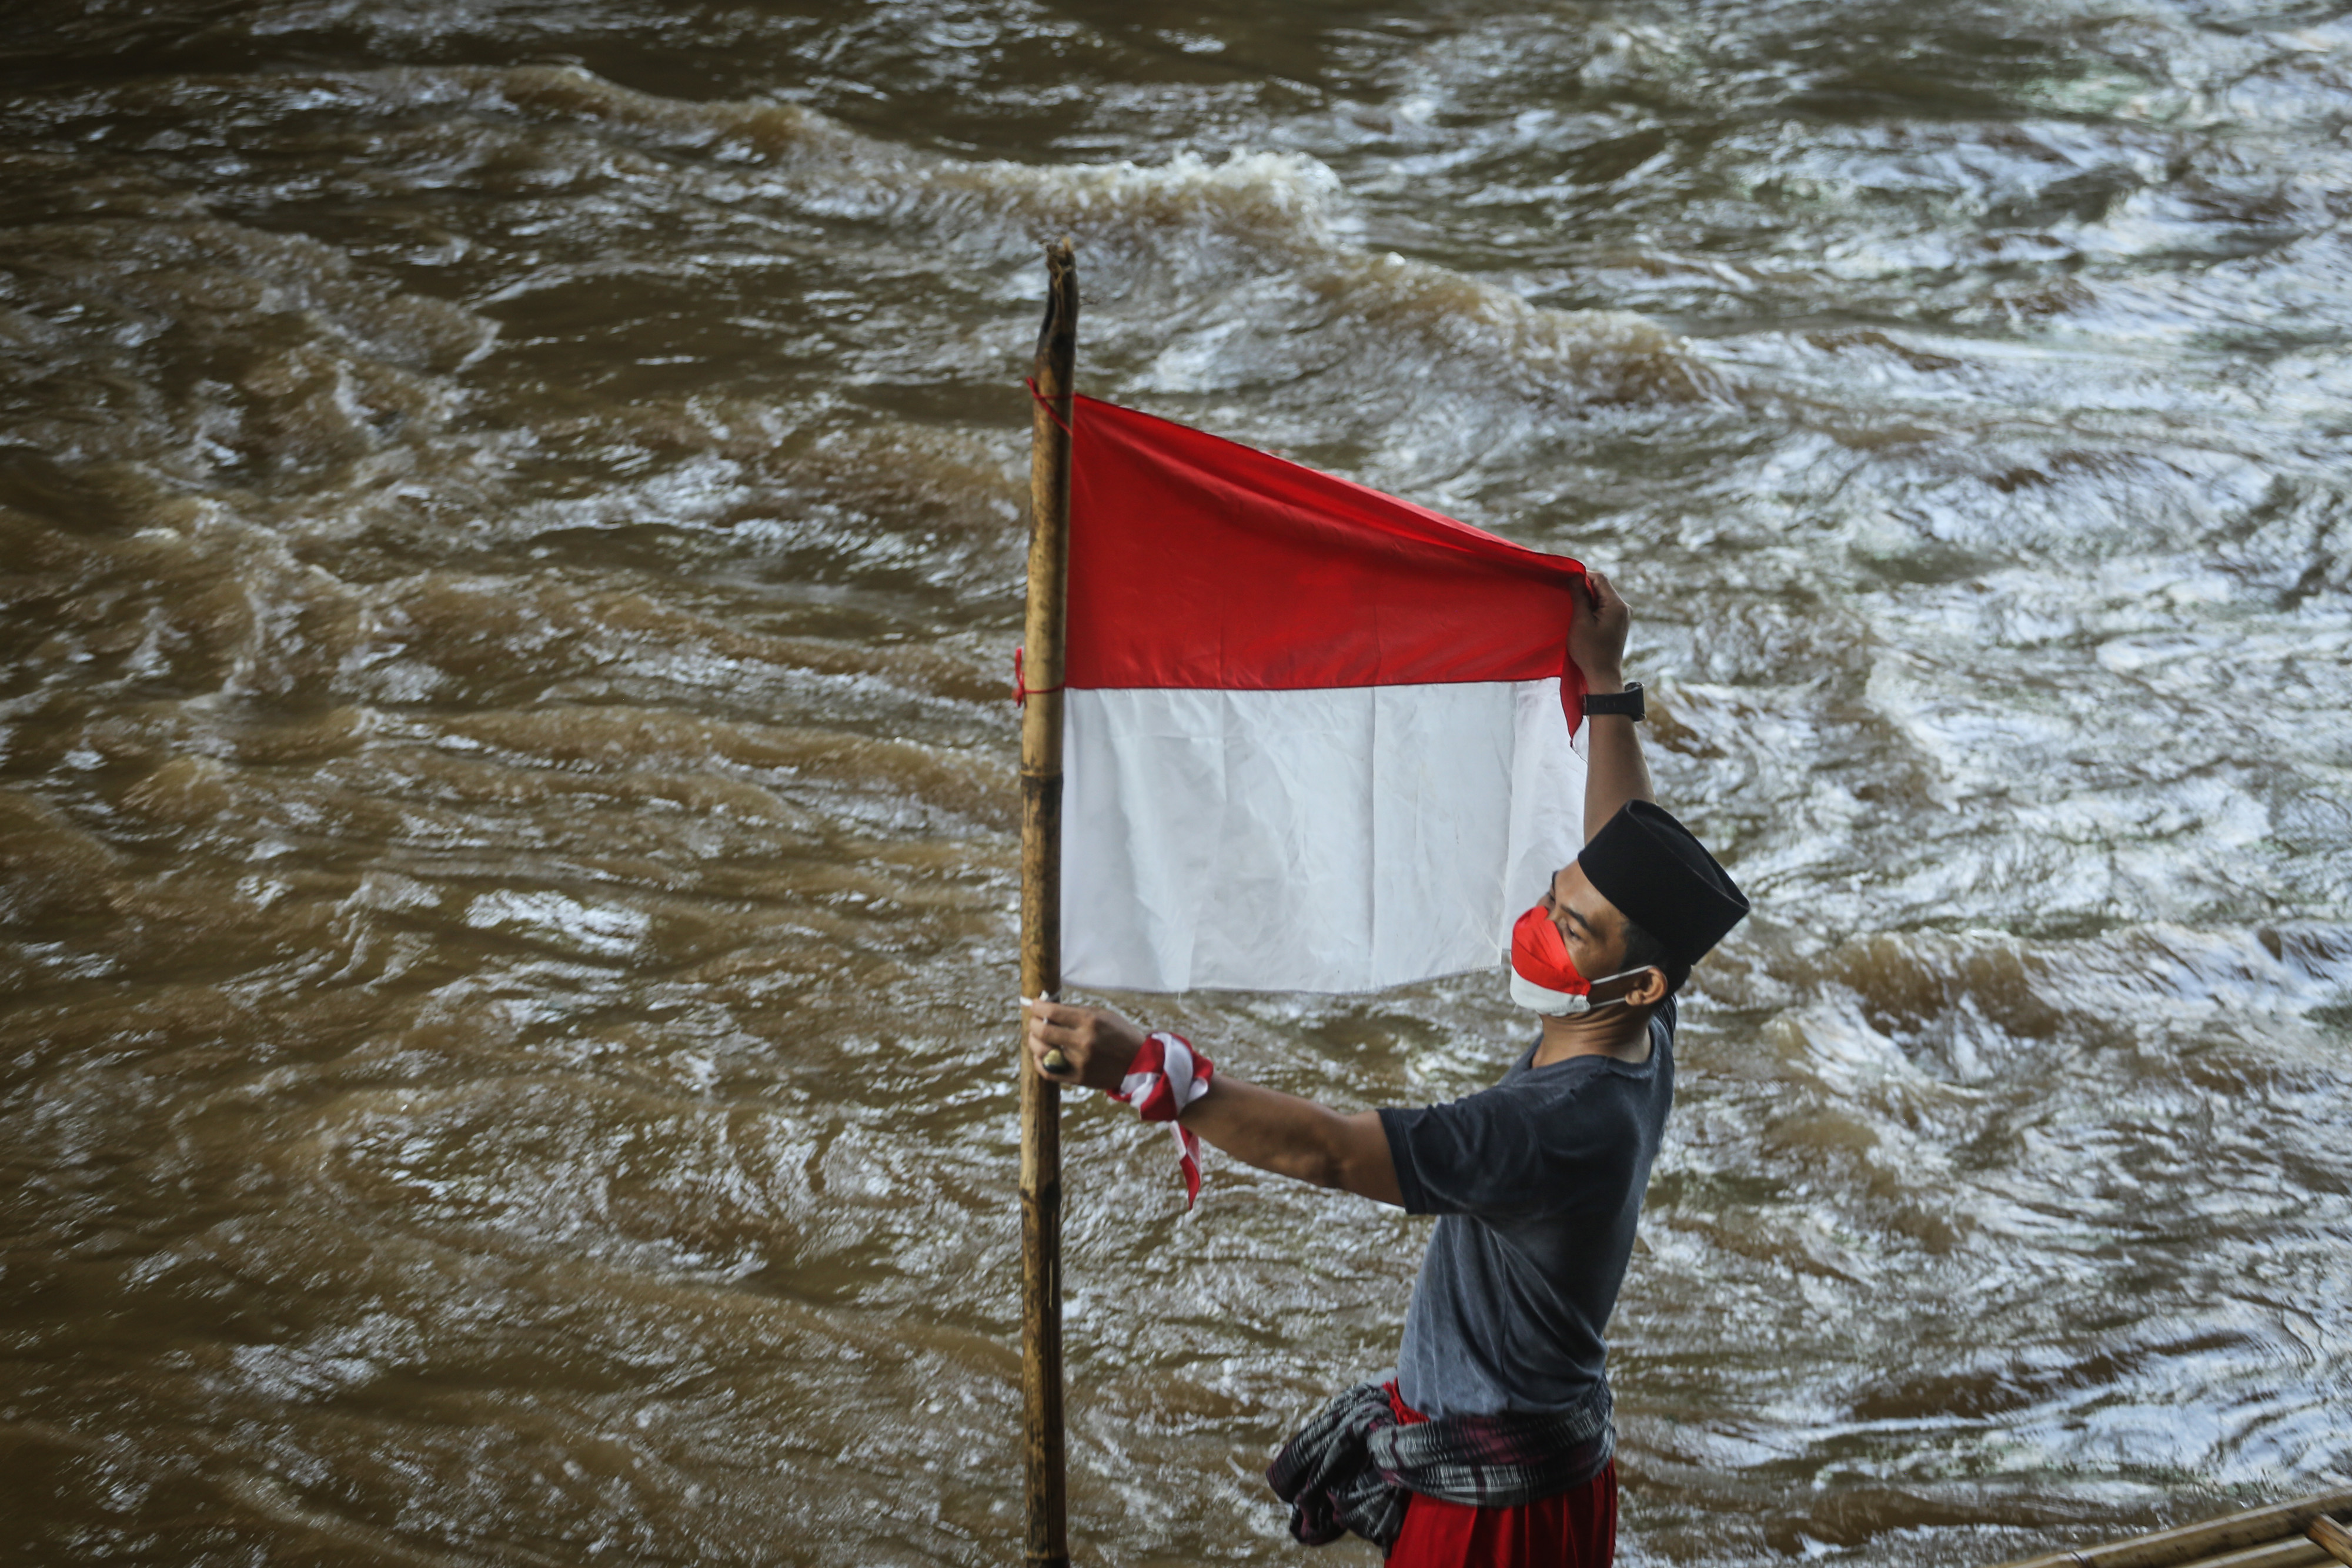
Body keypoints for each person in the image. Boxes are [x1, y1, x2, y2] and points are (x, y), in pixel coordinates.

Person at [1023, 570, 1749, 1568]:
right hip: (1556, 1458)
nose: (1537, 926)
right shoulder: (1638, 1032)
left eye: (1568, 928)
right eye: (1551, 897)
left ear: (1635, 982)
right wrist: (1607, 680)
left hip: (1495, 1517)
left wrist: (1149, 1069)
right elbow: (1613, 858)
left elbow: (1331, 1153)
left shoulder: (1547, 1125)